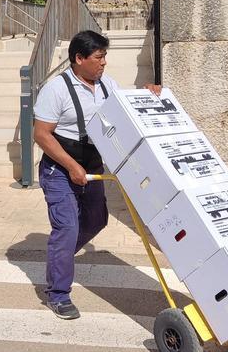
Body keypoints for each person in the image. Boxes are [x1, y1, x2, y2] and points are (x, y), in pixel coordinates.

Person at [33, 30, 161, 320]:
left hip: (91, 167)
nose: (103, 63)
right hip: (59, 169)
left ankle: (59, 257)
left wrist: (147, 92)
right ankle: (58, 294)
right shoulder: (56, 90)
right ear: (79, 59)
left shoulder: (106, 85)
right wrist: (71, 166)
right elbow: (42, 135)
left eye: (105, 57)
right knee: (66, 229)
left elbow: (126, 103)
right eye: (98, 57)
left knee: (95, 221)